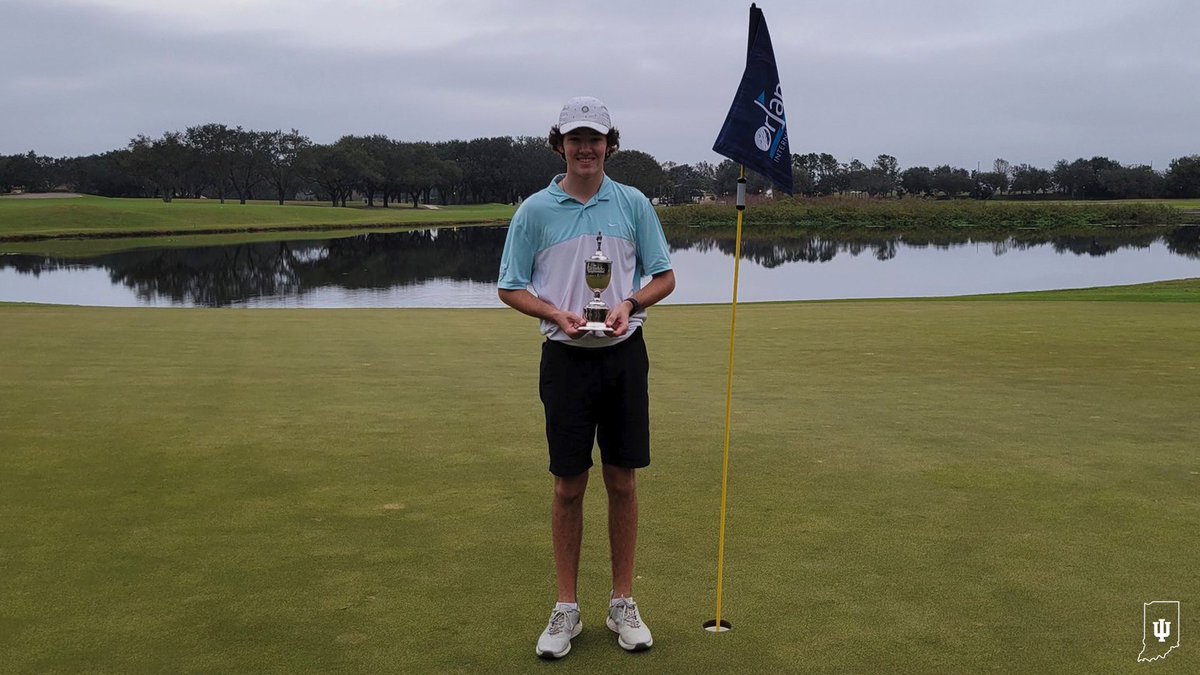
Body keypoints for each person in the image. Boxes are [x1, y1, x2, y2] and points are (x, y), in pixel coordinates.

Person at [497, 96, 676, 659]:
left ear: (609, 145)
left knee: (622, 481)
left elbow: (664, 276)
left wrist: (628, 301)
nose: (585, 149)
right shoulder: (534, 211)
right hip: (566, 359)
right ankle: (567, 608)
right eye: (575, 139)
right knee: (568, 485)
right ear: (560, 144)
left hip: (623, 353)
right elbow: (510, 285)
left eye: (594, 139)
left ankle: (622, 602)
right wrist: (554, 314)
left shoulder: (633, 203)